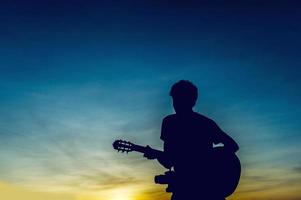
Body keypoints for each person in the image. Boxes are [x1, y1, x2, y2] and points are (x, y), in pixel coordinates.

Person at [144, 80, 239, 200]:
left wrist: (210, 163)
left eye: (180, 99)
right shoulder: (205, 123)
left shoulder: (170, 123)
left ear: (192, 101)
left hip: (190, 191)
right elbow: (169, 161)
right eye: (175, 99)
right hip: (204, 191)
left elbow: (168, 161)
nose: (176, 104)